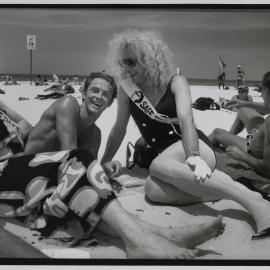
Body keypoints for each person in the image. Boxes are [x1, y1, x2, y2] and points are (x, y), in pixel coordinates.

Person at [101, 29, 270, 239]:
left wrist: (193, 155)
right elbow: (118, 129)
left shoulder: (175, 82)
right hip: (170, 164)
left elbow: (186, 119)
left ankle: (253, 200)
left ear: (149, 59)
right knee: (152, 190)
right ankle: (215, 190)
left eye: (132, 62)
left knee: (157, 166)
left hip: (195, 149)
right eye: (122, 63)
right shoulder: (126, 89)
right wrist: (106, 160)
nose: (126, 68)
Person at [25, 72, 116, 159]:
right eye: (95, 91)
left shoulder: (95, 135)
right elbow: (70, 155)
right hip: (26, 165)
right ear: (84, 92)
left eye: (105, 94)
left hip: (52, 172)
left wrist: (105, 167)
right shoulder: (68, 104)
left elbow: (90, 167)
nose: (99, 96)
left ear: (110, 102)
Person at [209, 71, 270, 178]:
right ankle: (228, 139)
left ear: (265, 89)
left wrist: (242, 156)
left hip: (252, 147)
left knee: (217, 132)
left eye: (261, 88)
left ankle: (193, 152)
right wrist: (244, 103)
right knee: (243, 110)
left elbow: (268, 169)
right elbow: (266, 108)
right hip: (261, 134)